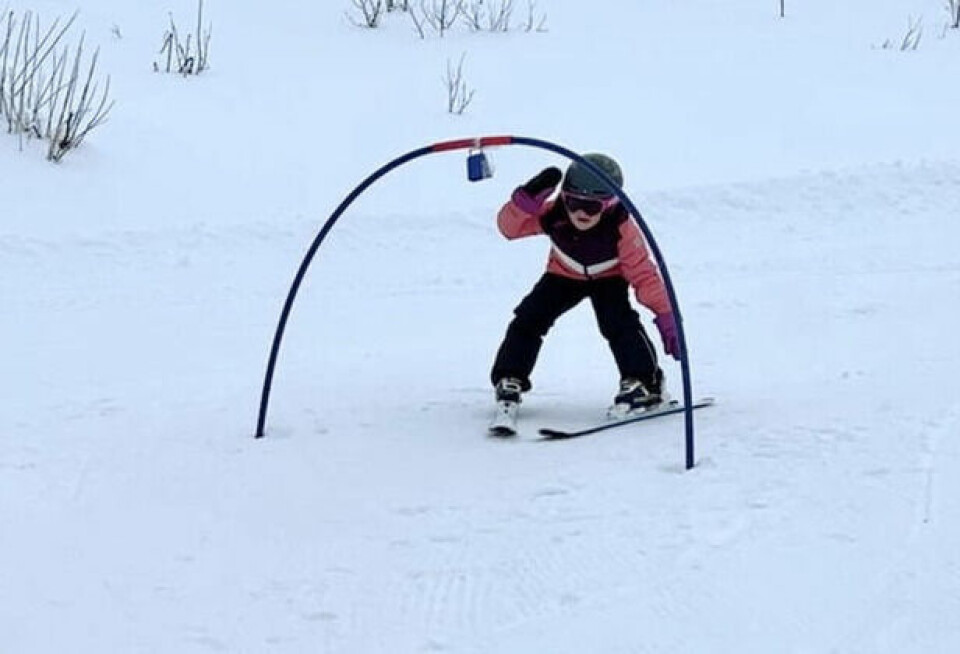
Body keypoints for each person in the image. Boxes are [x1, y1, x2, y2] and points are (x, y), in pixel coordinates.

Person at [490, 153, 680, 418]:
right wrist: (524, 202)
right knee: (529, 318)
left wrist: (666, 314)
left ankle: (644, 383)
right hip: (563, 274)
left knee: (618, 323)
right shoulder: (554, 213)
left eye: (592, 207)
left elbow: (644, 275)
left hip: (608, 278)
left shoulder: (622, 227)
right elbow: (509, 229)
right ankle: (510, 378)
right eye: (575, 202)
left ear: (611, 204)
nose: (581, 213)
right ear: (564, 197)